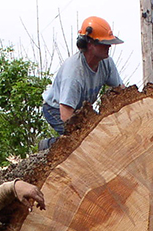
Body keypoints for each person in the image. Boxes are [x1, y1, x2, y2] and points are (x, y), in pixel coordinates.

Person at [39, 16, 125, 151]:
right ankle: (50, 147)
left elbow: (122, 92)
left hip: (80, 110)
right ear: (89, 44)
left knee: (98, 137)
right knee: (81, 143)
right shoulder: (73, 73)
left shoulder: (106, 63)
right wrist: (81, 134)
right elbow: (66, 114)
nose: (109, 46)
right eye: (103, 43)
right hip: (56, 108)